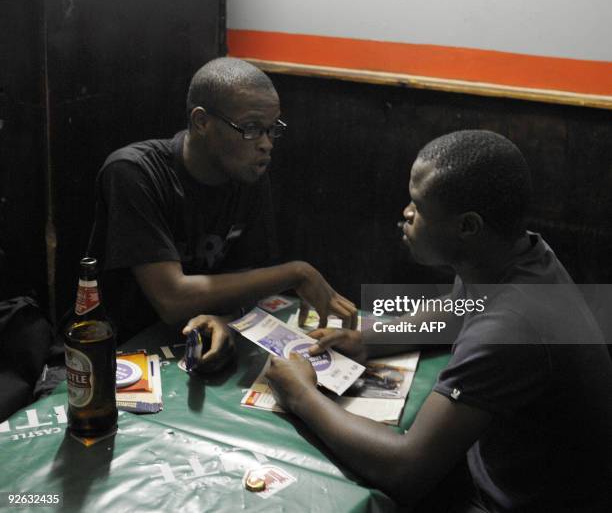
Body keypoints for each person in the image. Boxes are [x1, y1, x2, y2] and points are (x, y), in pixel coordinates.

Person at [266, 130, 612, 512]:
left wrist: (300, 394)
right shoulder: (512, 254)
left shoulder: (510, 326)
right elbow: (459, 307)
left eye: (419, 206)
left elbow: (405, 469)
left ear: (467, 227)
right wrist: (370, 339)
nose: (407, 214)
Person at [89, 57, 356, 367]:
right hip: (120, 352)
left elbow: (247, 278)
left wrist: (224, 319)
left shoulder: (248, 175)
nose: (266, 145)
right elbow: (172, 299)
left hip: (193, 342)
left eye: (272, 130)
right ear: (202, 122)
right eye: (252, 128)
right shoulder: (134, 172)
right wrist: (297, 272)